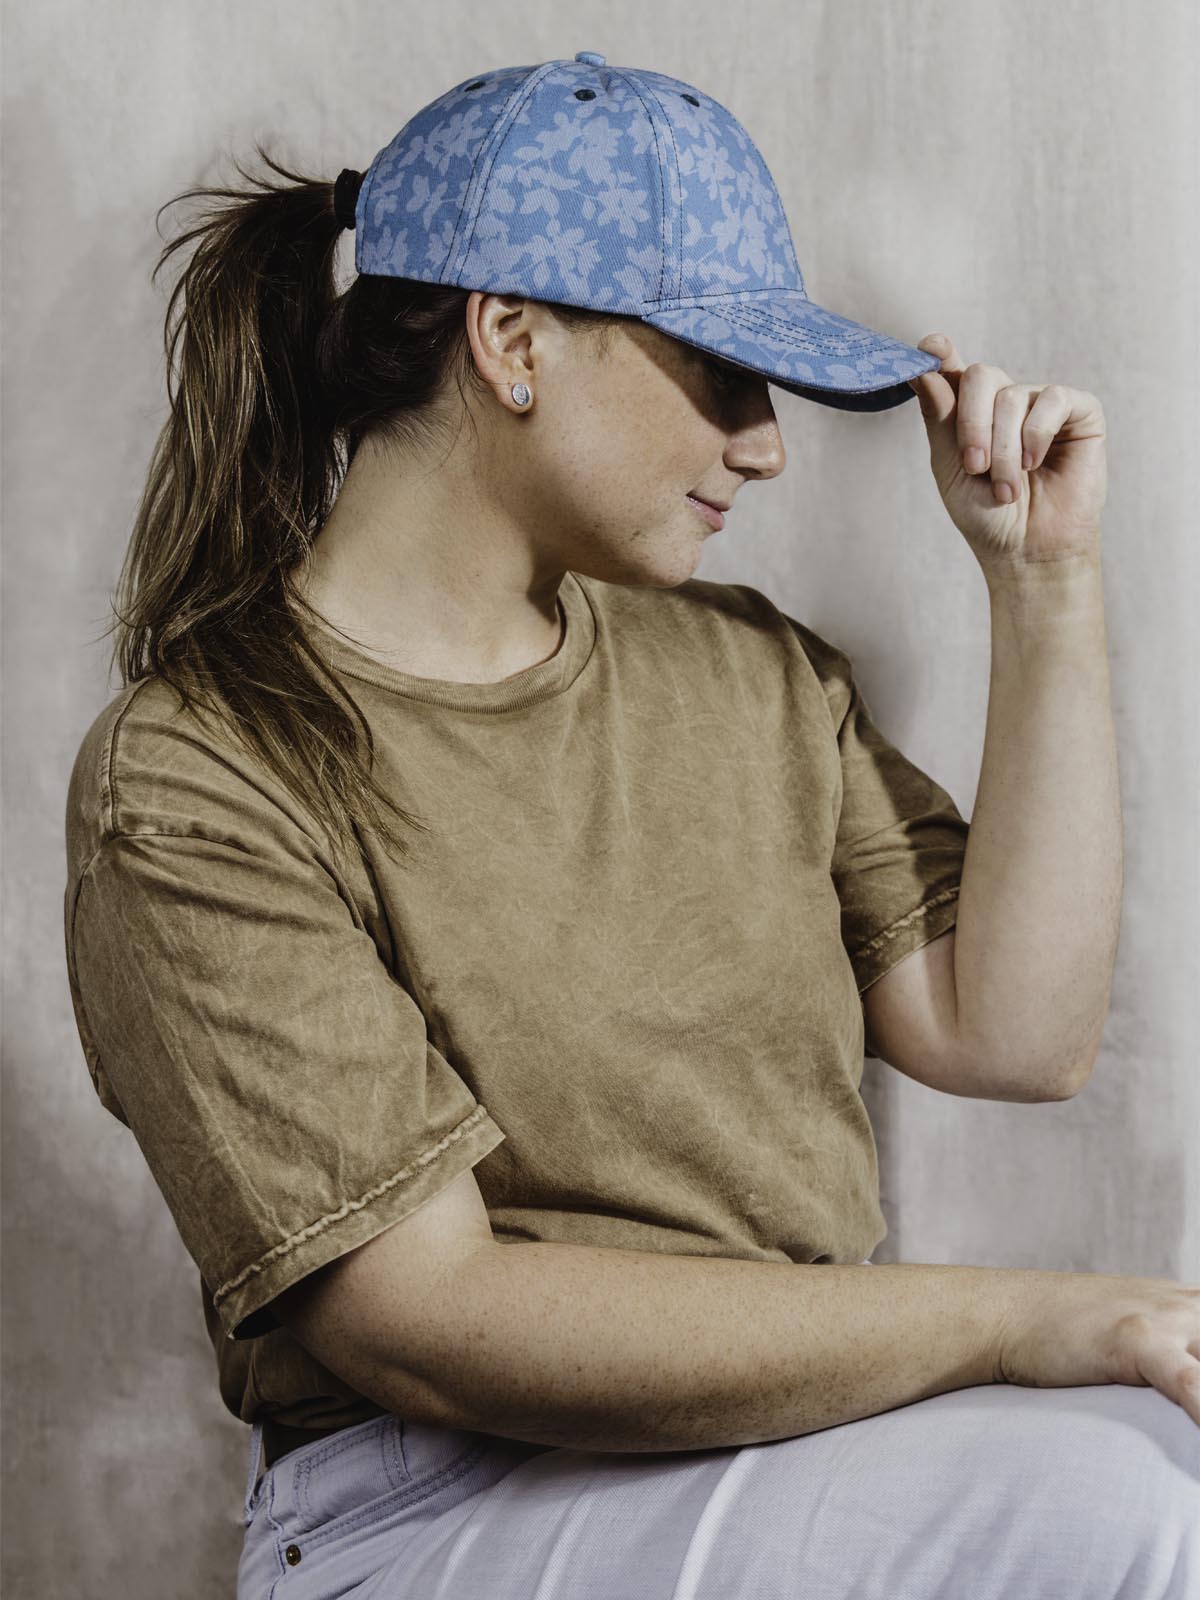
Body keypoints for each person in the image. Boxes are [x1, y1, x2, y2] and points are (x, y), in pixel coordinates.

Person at [62, 50, 1197, 1600]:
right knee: (1139, 1501)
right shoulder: (201, 773)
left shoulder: (747, 671)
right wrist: (1027, 1319)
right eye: (721, 374)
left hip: (796, 1449)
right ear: (511, 337)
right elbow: (431, 1322)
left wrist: (1043, 581)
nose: (767, 444)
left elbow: (1021, 1033)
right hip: (429, 1509)